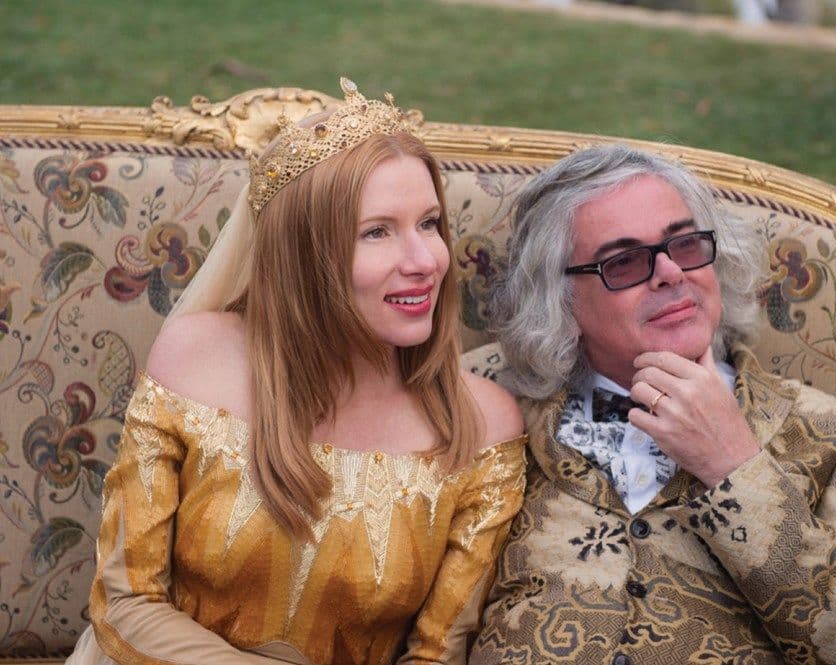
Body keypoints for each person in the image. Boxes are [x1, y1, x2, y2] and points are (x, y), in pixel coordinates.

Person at [67, 78, 526, 665]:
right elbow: (126, 603)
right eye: (377, 231)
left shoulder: (481, 423)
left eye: (430, 223)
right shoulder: (198, 359)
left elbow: (437, 653)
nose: (425, 262)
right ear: (305, 256)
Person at [468, 145, 836, 664]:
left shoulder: (832, 435)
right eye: (625, 261)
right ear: (560, 299)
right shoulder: (485, 405)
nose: (669, 272)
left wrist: (734, 465)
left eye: (684, 245)